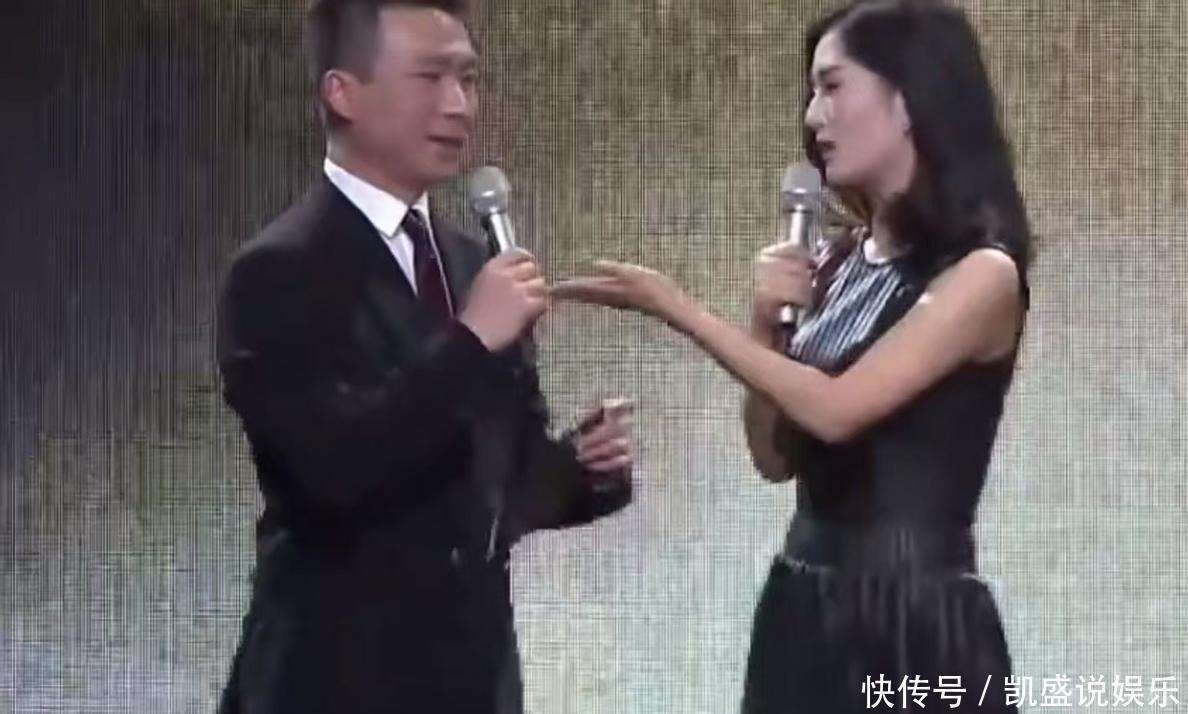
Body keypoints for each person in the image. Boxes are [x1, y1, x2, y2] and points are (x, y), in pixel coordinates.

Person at [554, 0, 1030, 711]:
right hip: (804, 603)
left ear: (908, 100)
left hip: (914, 619)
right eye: (811, 93)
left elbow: (838, 411)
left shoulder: (980, 275)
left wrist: (675, 307)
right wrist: (763, 324)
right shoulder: (835, 261)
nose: (813, 118)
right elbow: (774, 456)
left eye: (832, 87)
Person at [215, 1, 634, 712]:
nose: (458, 105)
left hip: (472, 682)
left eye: (467, 79)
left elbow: (492, 493)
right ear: (343, 92)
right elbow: (332, 474)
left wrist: (581, 471)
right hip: (331, 681)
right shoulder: (277, 271)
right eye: (430, 78)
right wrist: (470, 340)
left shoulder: (477, 263)